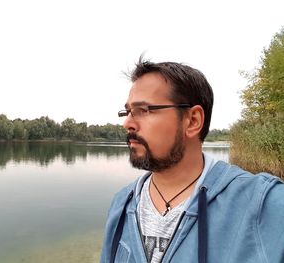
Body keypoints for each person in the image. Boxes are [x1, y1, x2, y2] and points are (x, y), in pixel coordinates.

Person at [100, 57, 284, 263]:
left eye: (143, 110)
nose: (127, 123)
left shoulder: (263, 204)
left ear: (193, 120)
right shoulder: (122, 204)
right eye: (127, 112)